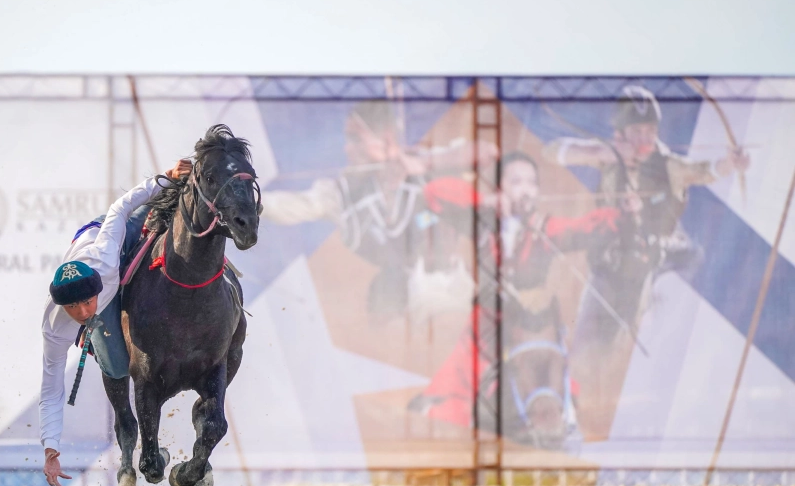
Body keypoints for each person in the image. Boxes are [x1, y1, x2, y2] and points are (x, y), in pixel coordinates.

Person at [408, 152, 620, 446]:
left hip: (529, 334)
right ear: (499, 189)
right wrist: (485, 203)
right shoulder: (480, 221)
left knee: (560, 403)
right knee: (448, 412)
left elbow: (584, 227)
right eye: (516, 181)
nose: (526, 190)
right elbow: (434, 193)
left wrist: (620, 214)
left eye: (532, 183)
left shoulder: (544, 227)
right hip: (485, 336)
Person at [543, 85, 750, 348]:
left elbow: (701, 171)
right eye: (637, 132)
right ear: (619, 134)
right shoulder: (607, 154)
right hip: (608, 267)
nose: (644, 140)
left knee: (635, 343)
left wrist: (730, 164)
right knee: (584, 345)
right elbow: (551, 151)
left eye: (650, 132)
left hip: (651, 268)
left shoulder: (668, 165)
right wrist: (598, 153)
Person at [264, 100, 498, 321]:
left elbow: (489, 152)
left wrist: (424, 163)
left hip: (458, 296)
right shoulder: (343, 194)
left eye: (356, 139)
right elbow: (286, 206)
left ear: (386, 139)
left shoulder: (424, 164)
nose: (348, 148)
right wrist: (241, 199)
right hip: (407, 314)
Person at [39, 157, 192, 486]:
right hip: (97, 265)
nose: (81, 314)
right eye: (72, 308)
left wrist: (166, 178)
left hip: (112, 230)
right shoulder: (55, 326)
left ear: (98, 290)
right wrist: (51, 449)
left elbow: (122, 206)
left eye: (86, 304)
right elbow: (51, 388)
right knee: (119, 368)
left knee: (168, 208)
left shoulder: (106, 261)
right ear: (58, 304)